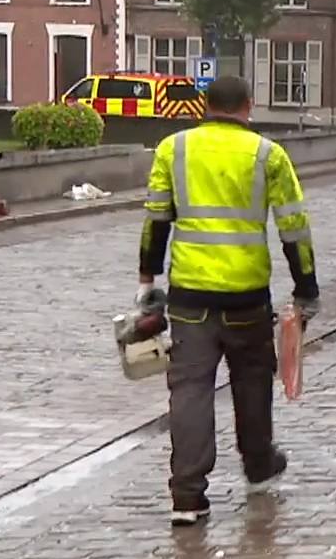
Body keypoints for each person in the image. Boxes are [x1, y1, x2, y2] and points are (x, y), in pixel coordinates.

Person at [137, 74, 320, 526]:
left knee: (191, 390)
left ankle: (188, 497)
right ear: (248, 106)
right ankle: (257, 465)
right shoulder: (267, 155)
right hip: (246, 296)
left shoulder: (173, 149)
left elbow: (155, 221)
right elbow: (293, 227)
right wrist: (306, 288)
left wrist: (147, 282)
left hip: (189, 298)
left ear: (206, 105)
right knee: (253, 381)